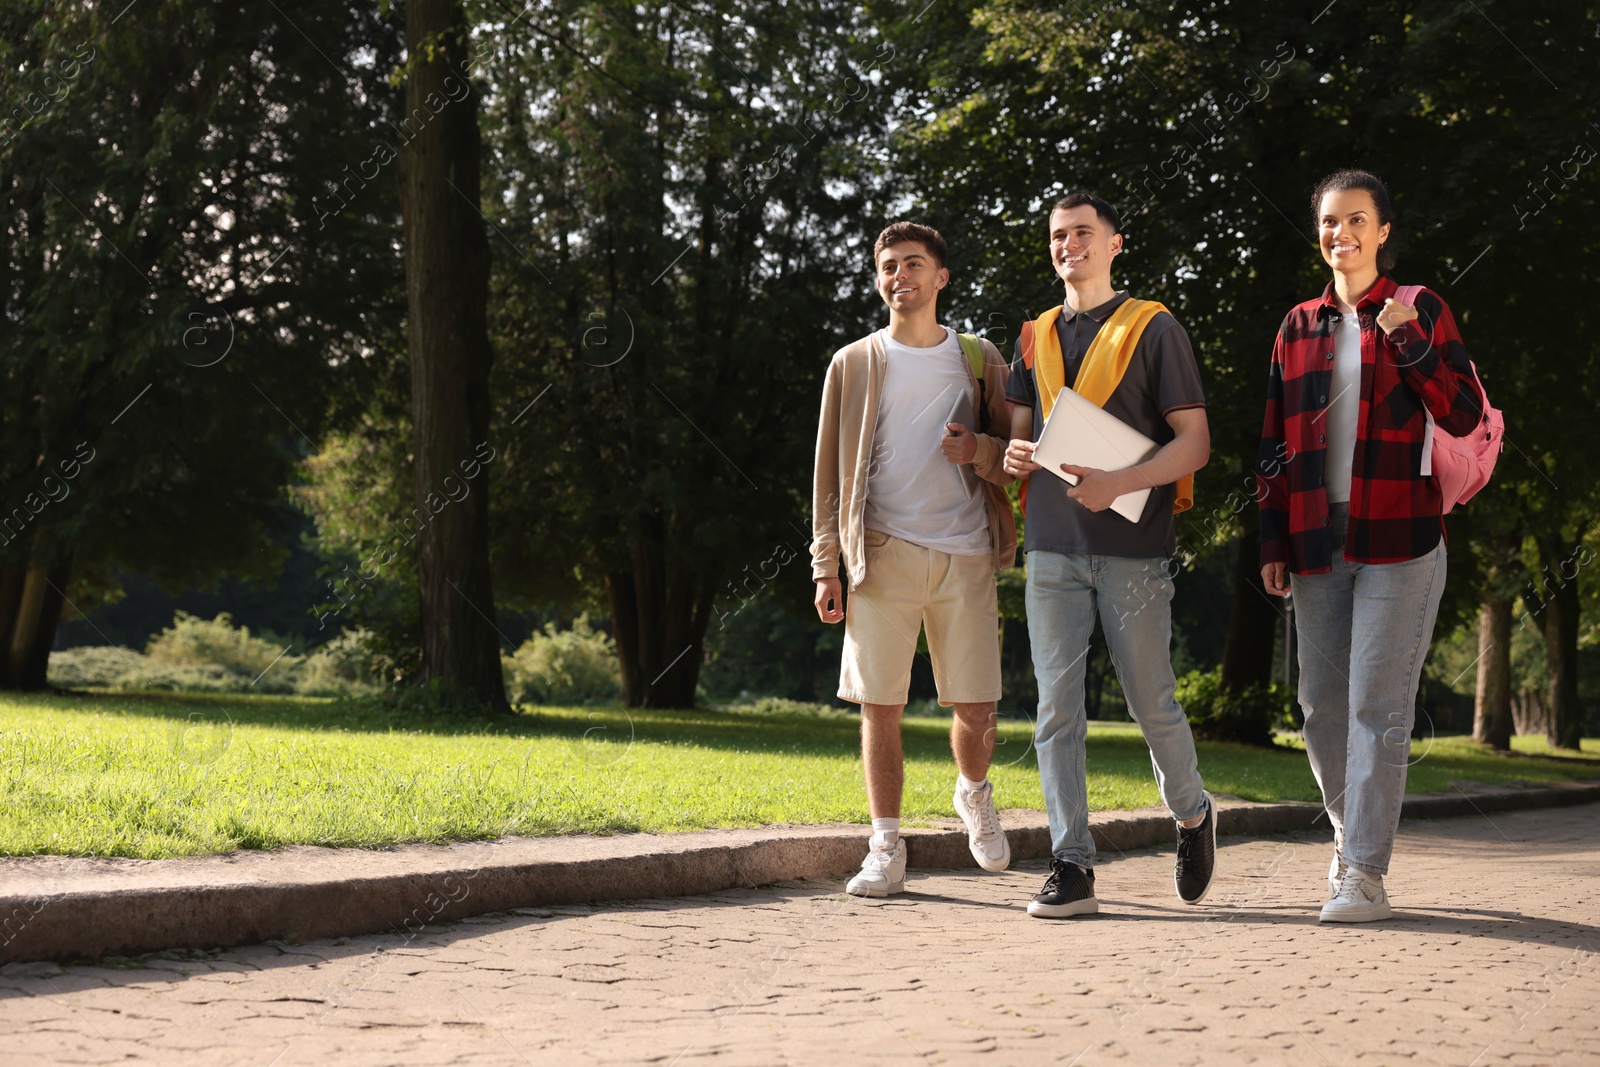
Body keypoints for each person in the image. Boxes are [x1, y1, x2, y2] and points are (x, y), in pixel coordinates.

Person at [1256, 169, 1485, 923]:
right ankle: (1349, 833)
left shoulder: (1420, 309)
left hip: (1402, 540)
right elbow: (1272, 441)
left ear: (1382, 231)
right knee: (1320, 705)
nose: (1340, 233)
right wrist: (1272, 536)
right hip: (1319, 540)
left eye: (1356, 220)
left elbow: (1459, 413)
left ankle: (1364, 871)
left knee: (1376, 709)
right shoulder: (1297, 325)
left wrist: (1408, 340)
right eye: (1328, 221)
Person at [1003, 193, 1217, 919]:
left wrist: (1120, 481)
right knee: (1055, 709)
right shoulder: (1033, 337)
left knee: (1150, 702)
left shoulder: (1153, 328)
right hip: (1052, 548)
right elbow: (1020, 441)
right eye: (1058, 235)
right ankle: (1071, 861)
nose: (1070, 245)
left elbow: (1195, 443)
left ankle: (1191, 813)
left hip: (1132, 547)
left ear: (1115, 243)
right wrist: (1011, 453)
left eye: (1083, 234)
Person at [811, 221, 1018, 897]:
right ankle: (886, 845)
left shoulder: (980, 358)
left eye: (914, 264)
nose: (900, 276)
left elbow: (1018, 455)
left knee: (977, 704)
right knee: (881, 705)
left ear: (940, 278)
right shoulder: (855, 361)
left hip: (965, 555)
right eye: (889, 266)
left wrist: (977, 452)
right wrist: (826, 564)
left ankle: (974, 792)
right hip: (881, 555)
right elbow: (827, 475)